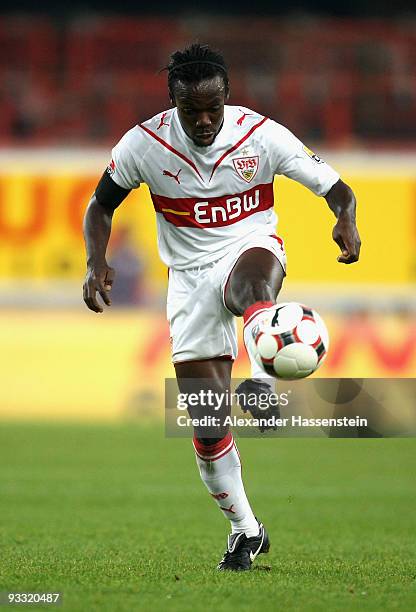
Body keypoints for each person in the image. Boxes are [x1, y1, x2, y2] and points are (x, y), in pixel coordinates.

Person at [83, 43, 360, 571]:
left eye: (214, 107)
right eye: (192, 111)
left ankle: (263, 380)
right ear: (173, 103)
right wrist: (95, 261)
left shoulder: (262, 135)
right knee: (209, 428)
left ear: (228, 96)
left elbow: (338, 188)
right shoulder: (144, 145)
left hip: (250, 248)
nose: (205, 120)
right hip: (187, 281)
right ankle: (246, 529)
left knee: (251, 286)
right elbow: (100, 204)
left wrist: (345, 218)